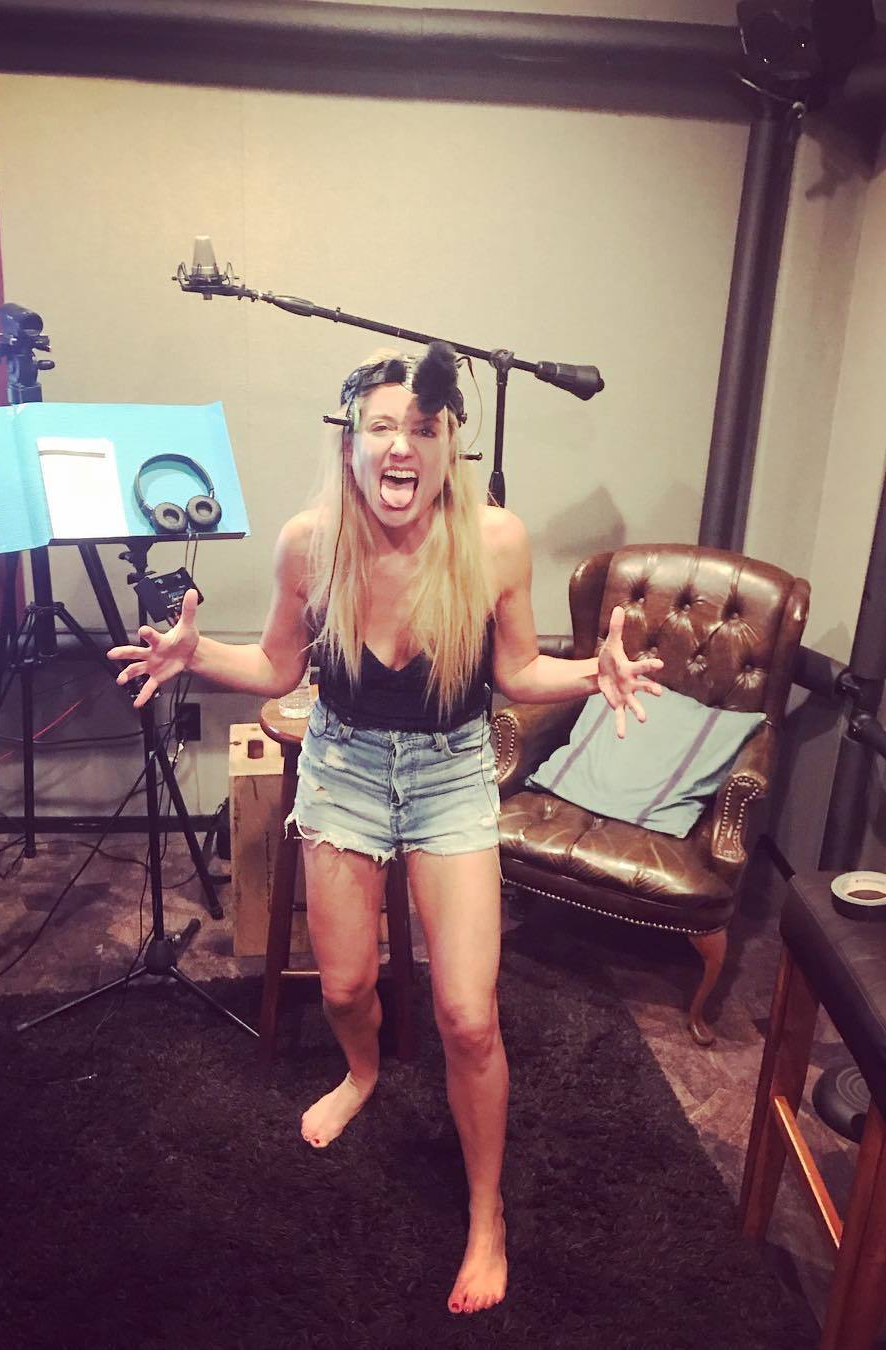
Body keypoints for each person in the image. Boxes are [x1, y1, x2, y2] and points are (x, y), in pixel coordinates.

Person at [107, 343, 663, 1316]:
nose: (401, 445)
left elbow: (517, 672)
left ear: (449, 445)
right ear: (350, 443)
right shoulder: (309, 545)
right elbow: (279, 668)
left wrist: (592, 673)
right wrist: (196, 656)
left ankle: (486, 1214)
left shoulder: (493, 541)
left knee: (468, 1016)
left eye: (423, 427)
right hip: (345, 769)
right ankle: (363, 1072)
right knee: (348, 985)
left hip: (451, 776)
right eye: (381, 427)